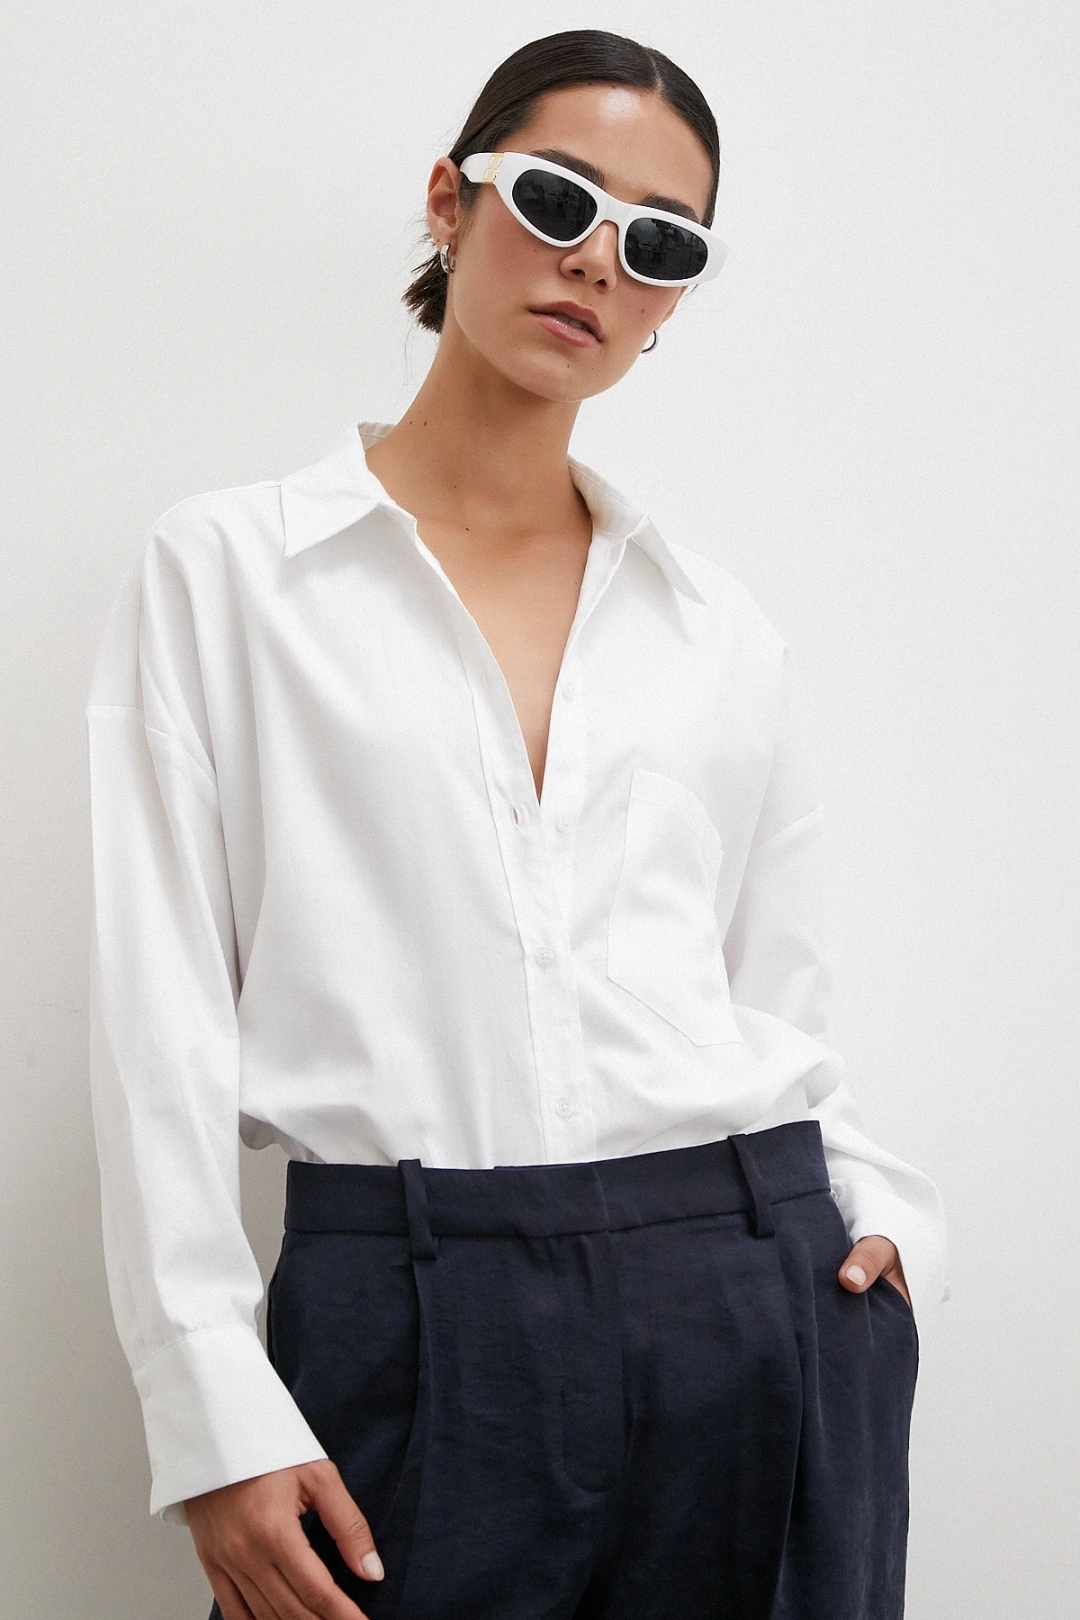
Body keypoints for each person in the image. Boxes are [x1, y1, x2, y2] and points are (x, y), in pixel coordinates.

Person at [85, 28, 948, 1620]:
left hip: (749, 1295)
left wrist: (883, 1226)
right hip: (404, 1301)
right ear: (450, 200)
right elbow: (162, 1023)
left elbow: (775, 1000)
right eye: (559, 199)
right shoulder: (229, 575)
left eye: (660, 242)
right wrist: (206, 1401)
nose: (598, 261)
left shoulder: (716, 632)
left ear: (674, 302)